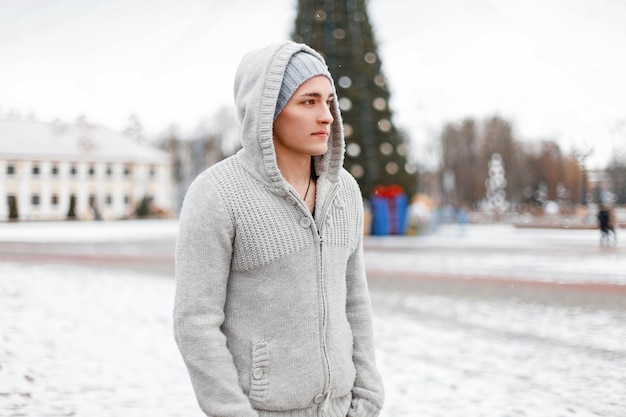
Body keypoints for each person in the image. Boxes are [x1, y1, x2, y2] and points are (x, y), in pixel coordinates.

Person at [173, 41, 385, 417]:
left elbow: (355, 302)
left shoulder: (346, 192)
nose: (327, 116)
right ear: (266, 110)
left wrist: (367, 397)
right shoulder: (216, 195)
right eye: (309, 102)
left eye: (328, 101)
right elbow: (196, 323)